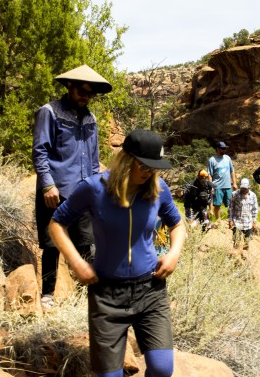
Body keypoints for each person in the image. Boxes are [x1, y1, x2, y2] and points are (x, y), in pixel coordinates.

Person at [48, 129, 186, 377]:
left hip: (150, 290)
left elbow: (177, 224)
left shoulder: (158, 188)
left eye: (154, 168)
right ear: (126, 160)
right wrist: (76, 262)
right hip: (107, 294)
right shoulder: (93, 188)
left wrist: (174, 253)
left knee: (162, 369)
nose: (149, 173)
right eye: (144, 166)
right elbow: (57, 223)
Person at [32, 64, 112, 310]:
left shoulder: (91, 118)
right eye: (82, 91)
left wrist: (97, 189)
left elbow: (94, 158)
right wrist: (47, 185)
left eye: (90, 93)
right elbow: (39, 151)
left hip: (84, 192)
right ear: (70, 86)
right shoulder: (50, 112)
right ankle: (48, 296)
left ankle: (87, 296)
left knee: (86, 243)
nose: (86, 96)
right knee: (51, 245)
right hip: (55, 192)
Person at [207, 141, 237, 221]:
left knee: (230, 204)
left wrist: (234, 183)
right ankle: (218, 221)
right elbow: (209, 174)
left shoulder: (227, 158)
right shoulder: (212, 160)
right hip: (217, 186)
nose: (224, 150)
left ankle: (231, 220)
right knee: (217, 205)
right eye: (222, 149)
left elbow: (232, 171)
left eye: (225, 148)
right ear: (217, 149)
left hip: (227, 186)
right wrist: (211, 186)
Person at [228, 178, 258, 250]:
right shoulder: (234, 194)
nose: (243, 189)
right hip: (237, 222)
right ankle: (235, 258)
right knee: (236, 242)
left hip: (248, 223)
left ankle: (244, 257)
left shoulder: (253, 195)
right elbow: (230, 208)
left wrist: (254, 221)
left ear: (249, 187)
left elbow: (255, 209)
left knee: (246, 242)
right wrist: (230, 220)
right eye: (242, 188)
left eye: (245, 188)